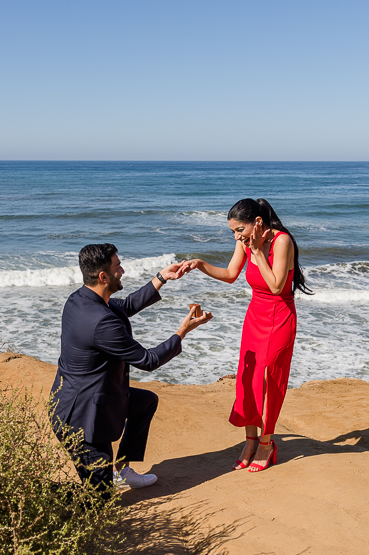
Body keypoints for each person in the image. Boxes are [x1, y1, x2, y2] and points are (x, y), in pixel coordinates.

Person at [51, 243, 213, 493]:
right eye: (118, 267)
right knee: (100, 499)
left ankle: (121, 470)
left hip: (93, 397)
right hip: (83, 419)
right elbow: (148, 361)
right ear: (103, 276)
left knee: (145, 402)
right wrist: (182, 331)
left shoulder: (81, 299)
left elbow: (124, 306)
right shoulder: (100, 322)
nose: (123, 270)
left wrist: (161, 278)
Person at [184, 198, 311, 472]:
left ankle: (267, 444)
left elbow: (277, 286)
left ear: (257, 222)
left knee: (268, 379)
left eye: (239, 229)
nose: (236, 236)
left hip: (279, 316)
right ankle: (250, 440)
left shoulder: (281, 242)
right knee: (248, 377)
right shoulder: (245, 241)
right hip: (255, 316)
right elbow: (231, 274)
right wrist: (200, 264)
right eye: (232, 232)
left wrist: (257, 253)